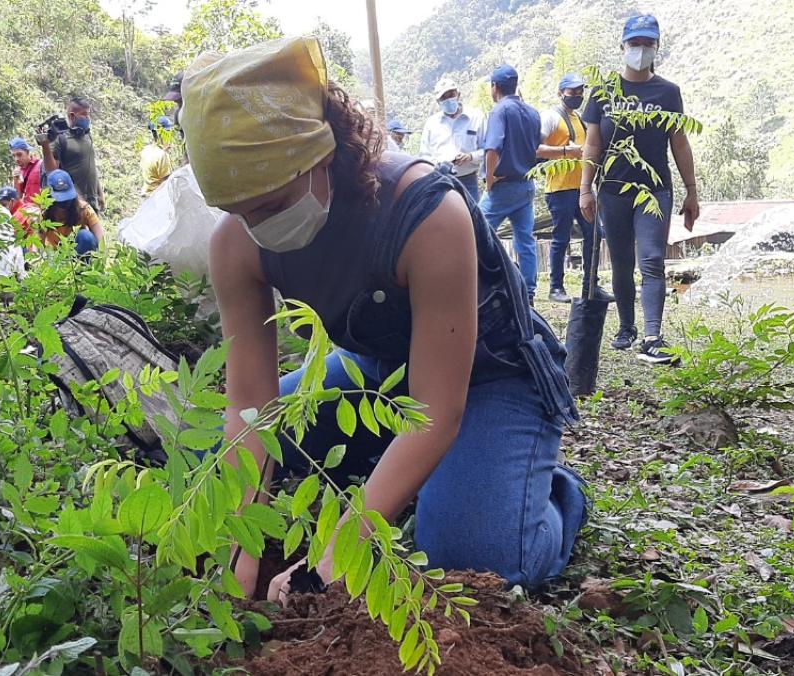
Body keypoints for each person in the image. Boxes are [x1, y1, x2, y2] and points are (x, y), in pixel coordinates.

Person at [181, 37, 584, 601]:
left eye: (270, 205)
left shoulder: (426, 213)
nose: (257, 226)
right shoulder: (236, 243)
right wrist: (239, 550)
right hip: (378, 373)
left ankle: (547, 490)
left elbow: (434, 410)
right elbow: (249, 409)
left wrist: (334, 557)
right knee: (207, 465)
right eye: (237, 211)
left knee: (472, 554)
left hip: (489, 377)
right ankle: (405, 467)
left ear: (321, 155)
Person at [580, 14, 700, 365]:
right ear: (623, 46)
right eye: (635, 43)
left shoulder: (668, 92)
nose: (641, 50)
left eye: (648, 43)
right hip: (612, 190)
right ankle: (626, 327)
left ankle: (652, 337)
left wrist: (692, 190)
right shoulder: (603, 91)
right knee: (620, 262)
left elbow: (679, 142)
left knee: (651, 259)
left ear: (657, 47)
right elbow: (592, 144)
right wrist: (585, 188)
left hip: (655, 189)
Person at [537, 74, 613, 304]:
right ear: (560, 93)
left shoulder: (579, 118)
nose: (577, 96)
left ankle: (591, 286)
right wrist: (565, 151)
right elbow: (536, 148)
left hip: (582, 188)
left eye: (580, 92)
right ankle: (556, 287)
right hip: (559, 188)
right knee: (561, 238)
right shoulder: (550, 117)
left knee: (595, 234)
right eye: (572, 92)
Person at [480, 65, 543, 301]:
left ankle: (483, 285)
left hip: (503, 187)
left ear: (494, 87)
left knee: (475, 231)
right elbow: (536, 148)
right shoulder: (533, 113)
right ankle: (528, 292)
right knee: (525, 240)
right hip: (526, 185)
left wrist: (489, 178)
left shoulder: (500, 111)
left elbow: (492, 149)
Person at [417, 78, 485, 203]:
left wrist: (470, 156)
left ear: (458, 94)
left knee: (472, 215)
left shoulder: (476, 117)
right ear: (438, 102)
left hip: (468, 181)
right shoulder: (432, 123)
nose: (448, 99)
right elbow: (424, 156)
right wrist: (438, 165)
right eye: (443, 97)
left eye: (451, 94)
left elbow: (487, 151)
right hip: (441, 182)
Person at [40, 97, 104, 214]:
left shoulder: (87, 136)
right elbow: (52, 172)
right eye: (84, 114)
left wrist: (100, 193)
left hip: (92, 201)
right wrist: (45, 147)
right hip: (74, 203)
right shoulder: (60, 139)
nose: (88, 118)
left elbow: (92, 166)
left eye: (88, 114)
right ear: (72, 116)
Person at [40, 169, 102, 258]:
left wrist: (101, 258)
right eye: (60, 202)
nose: (64, 205)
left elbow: (100, 239)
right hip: (56, 258)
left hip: (78, 255)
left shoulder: (83, 209)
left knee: (85, 236)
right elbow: (38, 247)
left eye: (67, 200)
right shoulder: (43, 214)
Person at [141, 116, 176, 195]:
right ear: (161, 134)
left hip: (147, 195)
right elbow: (167, 184)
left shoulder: (146, 150)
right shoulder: (162, 156)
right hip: (158, 196)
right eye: (168, 133)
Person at [9, 137, 43, 203]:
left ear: (27, 152)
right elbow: (18, 197)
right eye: (13, 156)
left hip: (42, 207)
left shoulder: (41, 165)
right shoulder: (18, 171)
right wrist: (15, 180)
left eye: (19, 154)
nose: (16, 159)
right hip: (27, 208)